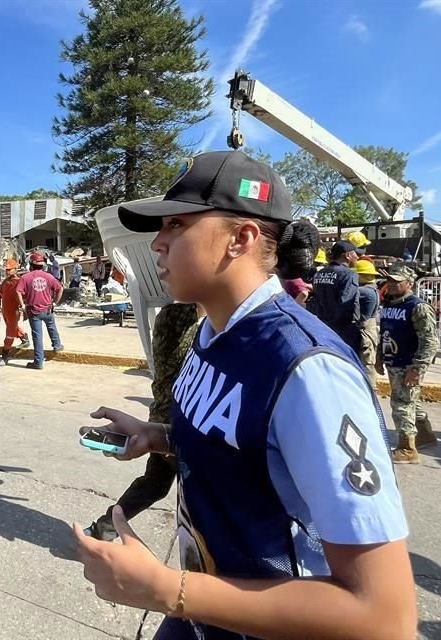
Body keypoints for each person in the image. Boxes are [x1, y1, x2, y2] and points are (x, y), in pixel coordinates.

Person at [73, 150, 414, 640]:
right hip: (203, 615)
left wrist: (165, 589)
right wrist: (160, 436)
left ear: (241, 238)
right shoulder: (213, 331)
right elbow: (250, 440)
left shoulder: (307, 368)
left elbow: (383, 617)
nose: (158, 244)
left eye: (175, 225)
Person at [84, 302, 201, 541]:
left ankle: (104, 527)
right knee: (192, 492)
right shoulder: (191, 331)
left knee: (154, 484)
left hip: (160, 415)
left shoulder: (167, 319)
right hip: (176, 423)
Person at [376, 262, 440, 464]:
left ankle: (407, 448)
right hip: (393, 361)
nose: (392, 285)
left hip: (408, 363)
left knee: (402, 404)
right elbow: (385, 331)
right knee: (410, 400)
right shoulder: (390, 303)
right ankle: (424, 435)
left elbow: (430, 340)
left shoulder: (417, 307)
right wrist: (379, 356)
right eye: (390, 281)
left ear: (409, 283)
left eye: (397, 282)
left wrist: (417, 368)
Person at [309, 240, 361, 354]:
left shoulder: (320, 273)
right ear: (347, 255)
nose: (357, 257)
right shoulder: (349, 274)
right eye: (355, 253)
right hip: (342, 331)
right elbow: (346, 303)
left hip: (321, 327)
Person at [16, 252, 64, 370]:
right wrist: (55, 302)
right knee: (52, 327)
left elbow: (18, 291)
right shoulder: (49, 277)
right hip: (48, 309)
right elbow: (60, 288)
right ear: (42, 265)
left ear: (31, 265)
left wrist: (22, 305)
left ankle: (38, 362)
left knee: (37, 336)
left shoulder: (25, 278)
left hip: (33, 311)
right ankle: (57, 345)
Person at [0, 258, 30, 366]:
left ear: (16, 269)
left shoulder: (19, 282)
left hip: (14, 312)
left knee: (9, 334)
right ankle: (24, 338)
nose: (7, 272)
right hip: (5, 311)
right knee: (12, 327)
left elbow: (24, 297)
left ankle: (5, 355)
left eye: (10, 270)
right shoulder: (5, 282)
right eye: (6, 270)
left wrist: (24, 309)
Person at [355, 260, 382, 385]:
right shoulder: (372, 289)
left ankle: (370, 389)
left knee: (367, 363)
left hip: (365, 330)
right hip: (369, 329)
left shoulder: (364, 291)